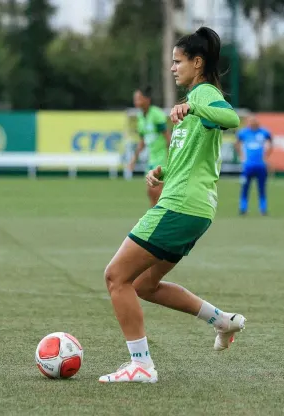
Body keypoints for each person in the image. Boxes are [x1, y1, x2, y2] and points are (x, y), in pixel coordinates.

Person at [99, 27, 246, 384]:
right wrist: (163, 169)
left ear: (198, 63)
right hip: (189, 208)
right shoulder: (193, 103)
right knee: (144, 286)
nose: (172, 68)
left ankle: (142, 366)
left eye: (178, 61)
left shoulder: (205, 95)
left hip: (181, 207)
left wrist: (195, 104)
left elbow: (232, 118)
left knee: (116, 277)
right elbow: (193, 156)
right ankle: (222, 321)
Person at [128, 86, 171, 207]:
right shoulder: (140, 117)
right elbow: (142, 142)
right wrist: (133, 160)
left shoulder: (157, 115)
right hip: (152, 158)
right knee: (151, 192)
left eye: (139, 98)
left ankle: (160, 218)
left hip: (162, 158)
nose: (136, 101)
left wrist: (172, 157)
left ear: (147, 99)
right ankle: (154, 217)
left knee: (157, 190)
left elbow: (168, 137)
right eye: (135, 99)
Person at [235, 116, 273, 215]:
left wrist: (266, 157)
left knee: (262, 188)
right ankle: (243, 208)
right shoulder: (243, 133)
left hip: (261, 165)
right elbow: (237, 144)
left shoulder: (264, 132)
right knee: (245, 187)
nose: (253, 123)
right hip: (248, 166)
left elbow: (270, 144)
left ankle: (263, 209)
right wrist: (242, 157)